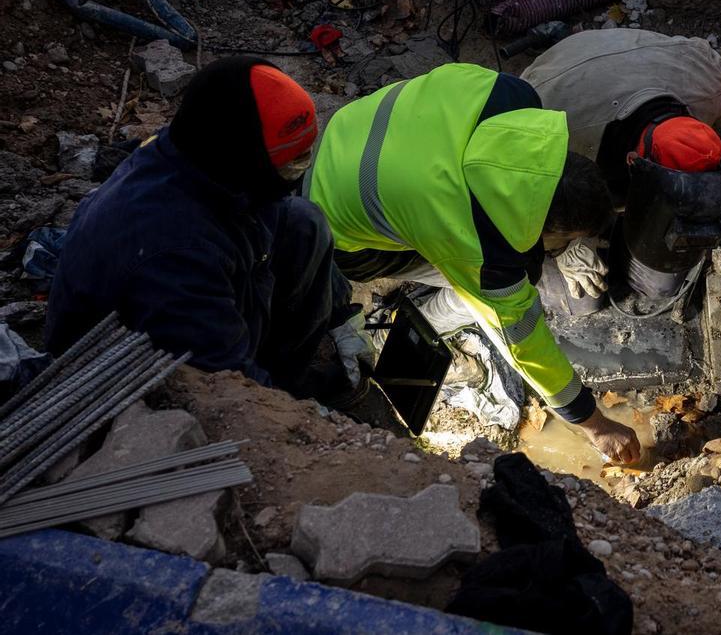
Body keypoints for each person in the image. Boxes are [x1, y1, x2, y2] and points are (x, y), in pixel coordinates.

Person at [304, 62, 642, 464]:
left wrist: (562, 245)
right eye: (564, 239)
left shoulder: (516, 98)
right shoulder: (476, 245)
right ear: (544, 227)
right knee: (480, 298)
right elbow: (523, 340)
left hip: (345, 136)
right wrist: (595, 425)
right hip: (338, 229)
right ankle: (395, 333)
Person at [45, 57, 372, 403]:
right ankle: (282, 395)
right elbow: (225, 383)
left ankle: (286, 379)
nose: (295, 174)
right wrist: (300, 422)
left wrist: (340, 314)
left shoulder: (201, 149)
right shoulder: (175, 257)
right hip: (124, 383)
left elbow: (277, 212)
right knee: (250, 396)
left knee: (304, 224)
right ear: (246, 162)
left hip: (198, 293)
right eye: (290, 164)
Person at [520, 29, 721, 303]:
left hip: (637, 69)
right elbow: (529, 200)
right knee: (580, 300)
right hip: (566, 78)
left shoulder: (715, 89)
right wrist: (565, 246)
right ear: (633, 162)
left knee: (660, 286)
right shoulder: (547, 127)